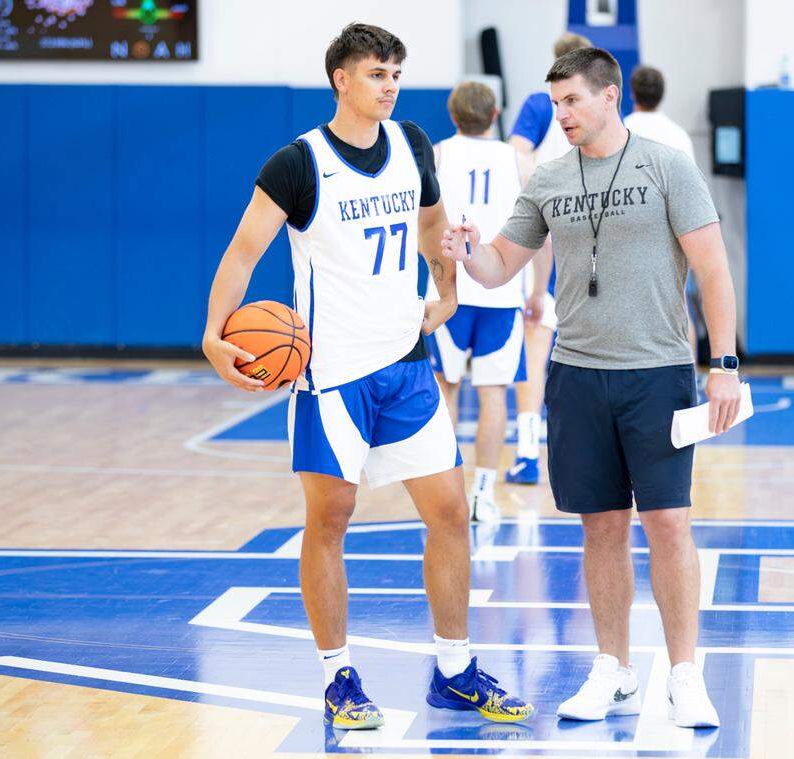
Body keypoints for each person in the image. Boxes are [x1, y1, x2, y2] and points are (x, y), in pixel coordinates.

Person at [200, 23, 533, 730]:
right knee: (331, 518)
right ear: (340, 80)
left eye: (395, 74)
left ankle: (453, 668)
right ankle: (337, 675)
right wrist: (212, 331)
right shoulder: (297, 164)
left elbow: (435, 221)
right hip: (332, 375)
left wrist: (446, 288)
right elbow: (240, 253)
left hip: (407, 363)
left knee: (448, 513)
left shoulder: (413, 145)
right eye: (376, 73)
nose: (389, 85)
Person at [440, 47, 741, 729]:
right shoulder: (547, 177)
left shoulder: (667, 167)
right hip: (575, 374)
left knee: (668, 522)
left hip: (657, 371)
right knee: (600, 527)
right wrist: (468, 251)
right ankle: (613, 666)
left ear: (610, 97)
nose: (561, 114)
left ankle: (685, 673)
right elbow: (498, 267)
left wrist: (722, 363)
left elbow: (714, 271)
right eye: (554, 103)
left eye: (571, 100)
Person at [426, 81, 532, 522]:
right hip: (502, 291)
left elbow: (422, 226)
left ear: (453, 115)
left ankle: (448, 494)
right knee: (494, 395)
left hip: (448, 291)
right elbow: (539, 236)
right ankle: (483, 493)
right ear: (495, 115)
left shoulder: (435, 154)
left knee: (445, 392)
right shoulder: (519, 159)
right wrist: (539, 290)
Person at [501, 31, 592, 485]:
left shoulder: (540, 104)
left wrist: (533, 197)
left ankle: (529, 452)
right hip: (592, 233)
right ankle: (587, 452)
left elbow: (517, 155)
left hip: (549, 235)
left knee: (535, 353)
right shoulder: (595, 106)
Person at [623, 64, 702, 351]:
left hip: (630, 231)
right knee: (678, 305)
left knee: (628, 307)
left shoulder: (623, 130)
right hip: (673, 230)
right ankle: (689, 374)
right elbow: (691, 191)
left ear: (631, 93)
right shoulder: (679, 135)